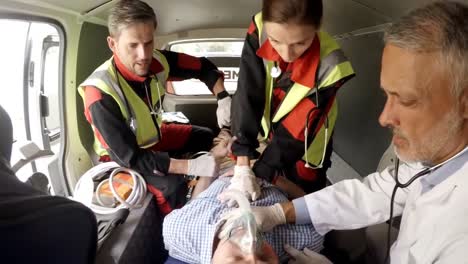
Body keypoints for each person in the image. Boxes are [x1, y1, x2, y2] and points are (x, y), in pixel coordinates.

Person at [223, 1, 468, 263]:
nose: (383, 118)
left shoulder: (460, 236)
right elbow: (374, 193)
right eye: (386, 95)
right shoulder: (432, 161)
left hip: (305, 149)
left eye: (406, 100)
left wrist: (261, 173)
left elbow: (295, 132)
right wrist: (281, 213)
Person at [78, 0, 232, 214]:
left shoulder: (158, 61)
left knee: (205, 135)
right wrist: (191, 167)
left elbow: (204, 67)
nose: (144, 55)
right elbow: (130, 157)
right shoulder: (99, 93)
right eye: (133, 45)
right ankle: (178, 229)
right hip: (121, 157)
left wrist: (223, 97)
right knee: (172, 188)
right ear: (112, 44)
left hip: (153, 137)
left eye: (149, 43)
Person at [228, 0, 355, 201]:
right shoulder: (259, 29)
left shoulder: (331, 66)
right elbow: (248, 91)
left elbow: (297, 130)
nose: (286, 54)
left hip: (306, 145)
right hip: (272, 134)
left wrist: (262, 170)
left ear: (318, 26)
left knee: (306, 202)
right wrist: (242, 162)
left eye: (300, 43)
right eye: (275, 41)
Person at [162, 175, 324, 264]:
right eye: (264, 258)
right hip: (276, 172)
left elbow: (195, 203)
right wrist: (274, 178)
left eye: (237, 259)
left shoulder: (178, 232)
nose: (252, 245)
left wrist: (218, 166)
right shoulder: (303, 242)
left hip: (225, 171)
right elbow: (318, 203)